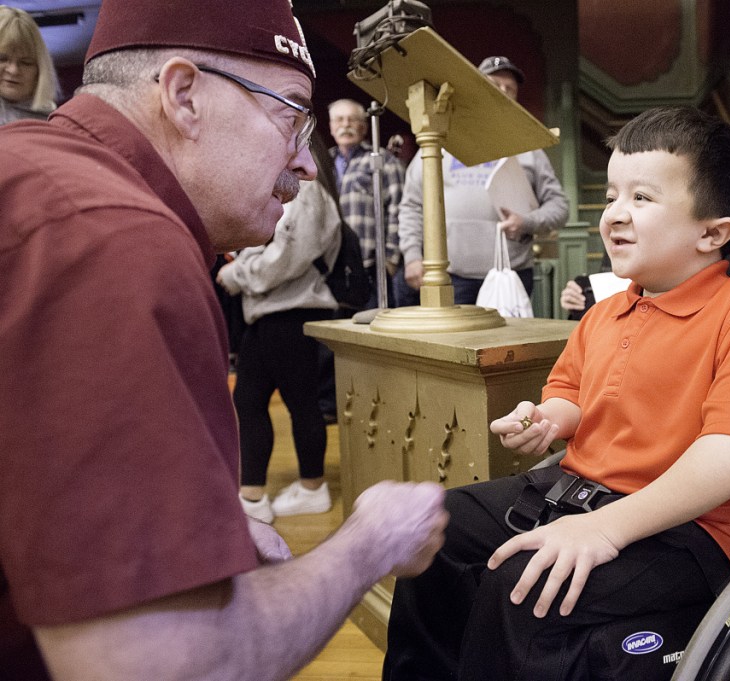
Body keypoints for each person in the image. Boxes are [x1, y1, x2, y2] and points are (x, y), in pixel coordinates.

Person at [0, 1, 446, 679]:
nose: (303, 165)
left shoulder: (36, 173)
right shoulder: (111, 237)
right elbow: (168, 665)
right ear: (184, 96)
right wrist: (371, 540)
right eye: (291, 115)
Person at [383, 105, 730, 681]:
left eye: (642, 198)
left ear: (713, 232)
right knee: (432, 525)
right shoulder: (606, 313)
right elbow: (574, 398)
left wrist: (605, 528)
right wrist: (546, 419)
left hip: (696, 530)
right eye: (611, 196)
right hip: (579, 490)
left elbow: (729, 457)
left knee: (524, 585)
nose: (614, 216)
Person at [217, 133, 342, 524]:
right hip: (276, 313)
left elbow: (287, 257)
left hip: (289, 312)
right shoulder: (296, 192)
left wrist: (238, 272)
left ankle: (268, 494)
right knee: (284, 402)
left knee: (263, 401)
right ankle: (303, 488)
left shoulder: (306, 192)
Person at [395, 56, 569, 307]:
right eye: (494, 85)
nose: (503, 93)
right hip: (448, 278)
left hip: (511, 276)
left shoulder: (528, 148)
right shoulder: (439, 140)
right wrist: (412, 256)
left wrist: (527, 222)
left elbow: (560, 207)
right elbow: (412, 206)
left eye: (510, 89)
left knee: (508, 347)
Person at [327, 97, 405, 309]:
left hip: (372, 267)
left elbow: (399, 208)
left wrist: (390, 259)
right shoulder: (324, 163)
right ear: (331, 127)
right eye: (339, 120)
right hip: (332, 268)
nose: (345, 125)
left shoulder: (382, 159)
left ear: (363, 128)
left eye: (352, 120)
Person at [0, 5, 58, 125]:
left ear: (40, 70)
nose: (13, 70)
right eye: (2, 59)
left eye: (26, 62)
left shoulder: (54, 123)